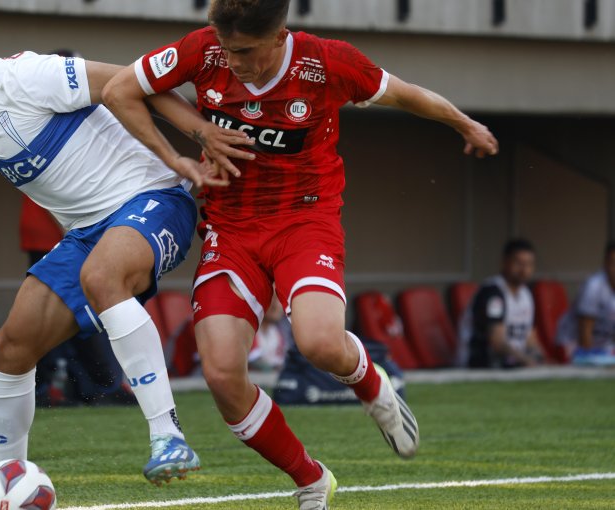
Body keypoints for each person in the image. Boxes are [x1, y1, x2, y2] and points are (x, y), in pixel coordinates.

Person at [102, 0, 499, 506]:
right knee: (222, 376)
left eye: (244, 52)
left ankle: (371, 383)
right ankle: (311, 479)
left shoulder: (327, 62)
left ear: (279, 35)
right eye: (226, 49)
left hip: (305, 221)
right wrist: (194, 138)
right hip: (232, 228)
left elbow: (405, 94)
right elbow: (122, 89)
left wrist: (464, 124)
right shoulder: (202, 50)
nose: (233, 62)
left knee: (318, 342)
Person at [0, 7, 231, 484]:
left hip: (154, 200)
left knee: (101, 277)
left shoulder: (27, 76)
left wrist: (199, 137)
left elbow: (133, 81)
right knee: (9, 348)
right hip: (87, 232)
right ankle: (7, 478)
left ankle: (168, 435)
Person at [459, 239, 546, 368]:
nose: (524, 270)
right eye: (518, 263)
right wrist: (526, 360)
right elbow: (497, 342)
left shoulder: (526, 294)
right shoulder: (493, 292)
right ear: (504, 262)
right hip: (481, 362)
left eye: (528, 264)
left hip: (514, 360)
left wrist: (539, 357)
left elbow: (530, 338)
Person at [556, 241, 615, 364]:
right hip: (572, 344)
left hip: (603, 348)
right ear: (605, 264)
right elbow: (585, 338)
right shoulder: (594, 286)